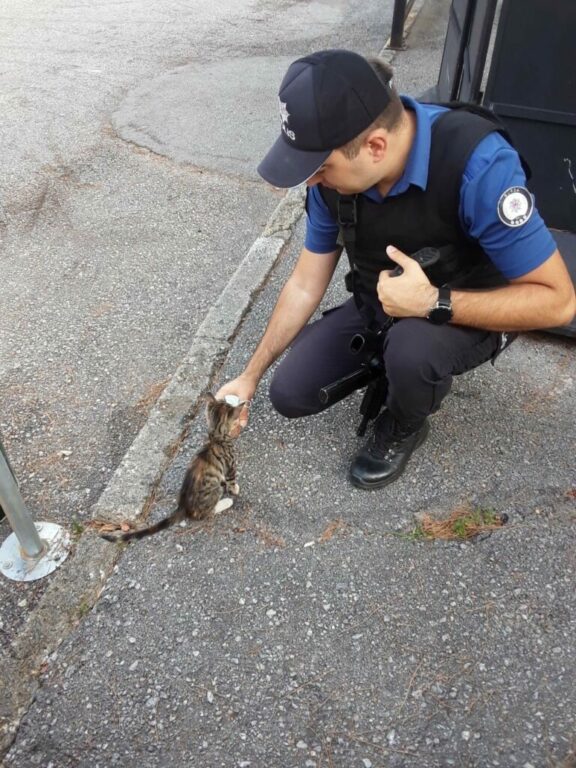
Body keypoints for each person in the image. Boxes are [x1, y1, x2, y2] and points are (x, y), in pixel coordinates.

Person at [216, 49, 576, 490]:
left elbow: (558, 302)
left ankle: (405, 421)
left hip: (470, 305)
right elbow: (305, 283)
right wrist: (249, 374)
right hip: (382, 300)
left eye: (320, 167)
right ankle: (389, 361)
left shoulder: (478, 164)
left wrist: (433, 302)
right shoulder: (333, 178)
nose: (312, 181)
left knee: (412, 351)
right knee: (290, 394)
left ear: (375, 147)